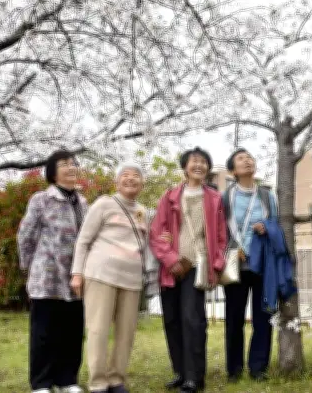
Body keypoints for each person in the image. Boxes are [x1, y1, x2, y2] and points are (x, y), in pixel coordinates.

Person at [149, 147, 228, 393]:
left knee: (193, 320)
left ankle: (195, 377)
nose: (199, 165)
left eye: (204, 162)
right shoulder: (169, 196)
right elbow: (156, 233)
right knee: (172, 320)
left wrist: (216, 265)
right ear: (185, 167)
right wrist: (170, 259)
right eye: (194, 161)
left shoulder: (214, 199)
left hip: (198, 266)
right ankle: (180, 372)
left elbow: (221, 237)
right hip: (171, 268)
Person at [71, 163, 150, 393]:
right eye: (125, 175)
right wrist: (77, 273)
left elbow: (144, 245)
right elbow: (83, 240)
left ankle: (116, 379)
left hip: (132, 278)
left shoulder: (143, 211)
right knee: (98, 329)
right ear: (117, 182)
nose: (131, 179)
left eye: (136, 176)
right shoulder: (104, 204)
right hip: (101, 274)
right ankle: (97, 382)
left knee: (126, 332)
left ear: (142, 184)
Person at [17, 150, 88, 393]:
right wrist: (29, 268)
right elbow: (25, 235)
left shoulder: (82, 201)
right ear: (52, 171)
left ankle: (67, 380)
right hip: (46, 277)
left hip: (75, 277)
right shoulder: (41, 200)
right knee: (44, 333)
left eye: (73, 163)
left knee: (72, 331)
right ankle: (41, 383)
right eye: (64, 164)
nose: (71, 168)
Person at [221, 149, 279, 383]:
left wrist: (267, 228)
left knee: (263, 317)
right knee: (234, 318)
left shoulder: (267, 195)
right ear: (233, 170)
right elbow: (219, 229)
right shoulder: (225, 197)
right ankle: (234, 370)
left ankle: (258, 368)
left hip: (263, 262)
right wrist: (235, 247)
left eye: (250, 158)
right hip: (236, 263)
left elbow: (276, 224)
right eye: (241, 159)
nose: (247, 161)